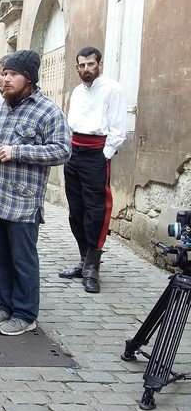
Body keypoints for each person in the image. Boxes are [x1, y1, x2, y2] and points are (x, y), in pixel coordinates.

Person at [0, 50, 71, 336]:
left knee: (22, 260)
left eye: (12, 74)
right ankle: (6, 306)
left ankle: (26, 314)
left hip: (23, 201)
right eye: (4, 74)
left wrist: (18, 152)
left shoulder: (48, 111)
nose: (5, 79)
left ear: (28, 79)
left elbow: (62, 150)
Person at [59, 46, 126, 294]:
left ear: (100, 63)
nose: (86, 69)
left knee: (95, 210)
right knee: (76, 209)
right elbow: (71, 124)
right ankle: (83, 260)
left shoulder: (112, 89)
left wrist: (103, 156)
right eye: (81, 65)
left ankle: (93, 268)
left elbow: (119, 129)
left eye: (90, 64)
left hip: (96, 153)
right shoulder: (77, 91)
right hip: (74, 153)